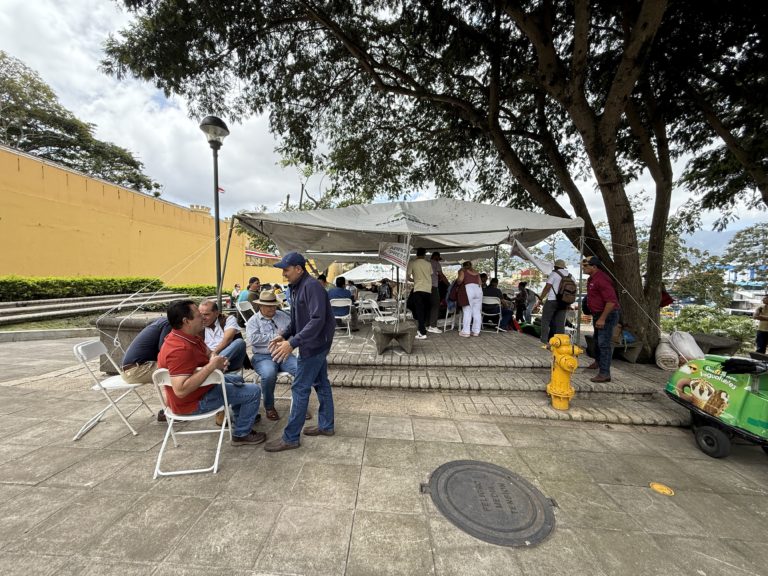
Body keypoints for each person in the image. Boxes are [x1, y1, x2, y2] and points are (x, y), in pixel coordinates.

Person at [158, 300, 265, 445]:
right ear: (186, 321)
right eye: (198, 315)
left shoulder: (189, 336)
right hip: (193, 403)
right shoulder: (180, 350)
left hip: (201, 390)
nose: (202, 318)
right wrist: (212, 366)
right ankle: (241, 434)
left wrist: (217, 360)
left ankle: (240, 419)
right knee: (253, 391)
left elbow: (209, 353)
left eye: (205, 315)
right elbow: (181, 390)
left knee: (238, 380)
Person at [265, 252, 336, 451]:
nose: (283, 274)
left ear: (298, 269)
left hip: (314, 345)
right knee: (321, 383)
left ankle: (290, 438)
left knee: (299, 388)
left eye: (286, 270)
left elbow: (317, 320)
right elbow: (298, 320)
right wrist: (285, 335)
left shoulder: (311, 286)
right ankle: (326, 426)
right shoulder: (297, 287)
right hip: (314, 343)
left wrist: (293, 342)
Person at [246, 290, 298, 421]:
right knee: (269, 374)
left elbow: (294, 333)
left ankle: (299, 404)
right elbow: (252, 339)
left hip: (284, 353)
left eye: (274, 305)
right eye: (268, 306)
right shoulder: (253, 321)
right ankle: (269, 407)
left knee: (301, 370)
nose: (272, 308)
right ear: (260, 306)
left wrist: (286, 340)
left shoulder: (283, 316)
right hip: (263, 356)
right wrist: (277, 336)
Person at [582, 256, 620, 383]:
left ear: (594, 267)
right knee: (597, 341)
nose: (583, 268)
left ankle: (605, 373)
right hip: (598, 314)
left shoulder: (602, 279)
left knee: (604, 344)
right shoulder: (592, 279)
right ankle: (598, 362)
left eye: (586, 266)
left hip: (607, 315)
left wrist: (602, 318)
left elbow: (611, 302)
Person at [198, 300, 247, 372]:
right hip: (207, 360)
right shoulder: (198, 325)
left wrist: (214, 353)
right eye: (200, 314)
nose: (203, 318)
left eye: (206, 314)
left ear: (216, 313)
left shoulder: (228, 319)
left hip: (230, 361)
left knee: (240, 342)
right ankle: (212, 368)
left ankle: (211, 368)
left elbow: (228, 339)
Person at [121, 316, 172, 384]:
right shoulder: (168, 323)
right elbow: (163, 351)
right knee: (180, 367)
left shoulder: (160, 321)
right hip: (136, 371)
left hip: (130, 371)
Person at [537, 259, 570, 344]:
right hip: (564, 302)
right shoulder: (570, 276)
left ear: (555, 266)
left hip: (552, 300)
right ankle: (560, 342)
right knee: (560, 323)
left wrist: (540, 298)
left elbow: (547, 287)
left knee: (545, 320)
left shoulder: (554, 274)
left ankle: (544, 340)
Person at [406, 247, 433, 339]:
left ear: (416, 254)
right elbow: (430, 274)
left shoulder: (413, 263)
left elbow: (407, 277)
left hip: (418, 288)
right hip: (428, 289)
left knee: (417, 308)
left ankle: (422, 332)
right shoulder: (428, 264)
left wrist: (414, 280)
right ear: (424, 254)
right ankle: (421, 327)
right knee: (424, 310)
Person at [456, 260, 482, 337]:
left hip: (469, 288)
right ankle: (476, 331)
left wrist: (458, 277)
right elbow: (480, 283)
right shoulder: (477, 272)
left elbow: (460, 280)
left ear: (464, 266)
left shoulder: (463, 271)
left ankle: (466, 332)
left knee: (467, 310)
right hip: (478, 289)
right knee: (477, 311)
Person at [428, 251, 448, 333]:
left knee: (427, 305)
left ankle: (426, 324)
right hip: (433, 286)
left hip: (425, 287)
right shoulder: (436, 264)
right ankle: (432, 326)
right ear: (436, 256)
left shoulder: (426, 262)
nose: (438, 260)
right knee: (436, 305)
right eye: (438, 258)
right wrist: (448, 284)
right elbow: (441, 275)